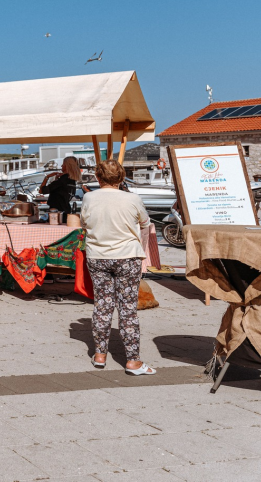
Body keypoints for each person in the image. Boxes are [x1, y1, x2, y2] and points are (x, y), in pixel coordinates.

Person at [80, 159, 156, 376]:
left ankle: (100, 355)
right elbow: (144, 223)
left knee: (102, 305)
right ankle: (132, 361)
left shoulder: (89, 197)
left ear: (98, 177)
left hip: (98, 256)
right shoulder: (132, 198)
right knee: (128, 309)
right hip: (127, 256)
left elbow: (84, 224)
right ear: (122, 177)